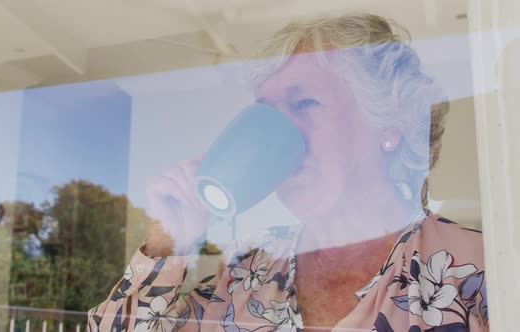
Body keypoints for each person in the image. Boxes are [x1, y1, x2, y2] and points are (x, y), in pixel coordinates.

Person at [87, 13, 488, 331]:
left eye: (305, 103)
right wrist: (166, 245)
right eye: (267, 112)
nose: (278, 133)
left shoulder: (478, 267)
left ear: (390, 125)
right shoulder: (250, 269)